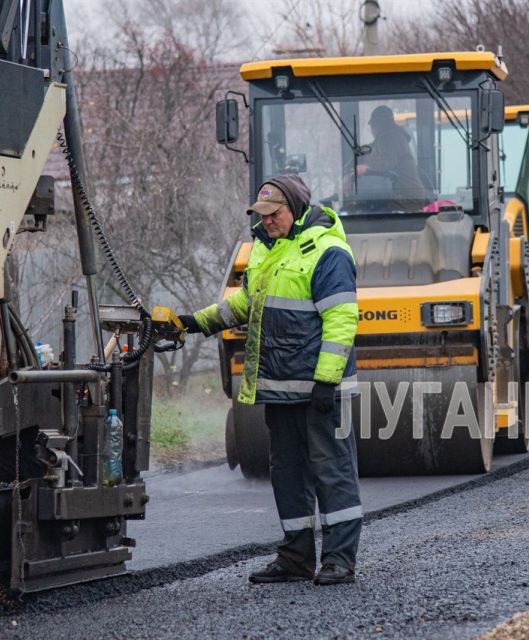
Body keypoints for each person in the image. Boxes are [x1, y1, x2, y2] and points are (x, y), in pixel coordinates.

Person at [178, 174, 362, 586]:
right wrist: (195, 323)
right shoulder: (266, 248)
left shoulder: (328, 251)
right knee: (288, 474)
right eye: (261, 215)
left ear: (293, 208)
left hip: (320, 392)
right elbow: (246, 303)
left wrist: (326, 382)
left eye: (273, 213)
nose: (266, 221)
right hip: (281, 389)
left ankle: (339, 560)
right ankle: (296, 558)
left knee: (332, 472)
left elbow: (341, 319)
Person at [352, 105, 429, 210]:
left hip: (407, 198)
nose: (372, 129)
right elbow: (368, 151)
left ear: (379, 124)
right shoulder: (388, 139)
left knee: (366, 210)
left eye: (373, 124)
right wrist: (350, 172)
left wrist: (366, 168)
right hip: (405, 197)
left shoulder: (390, 137)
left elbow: (386, 163)